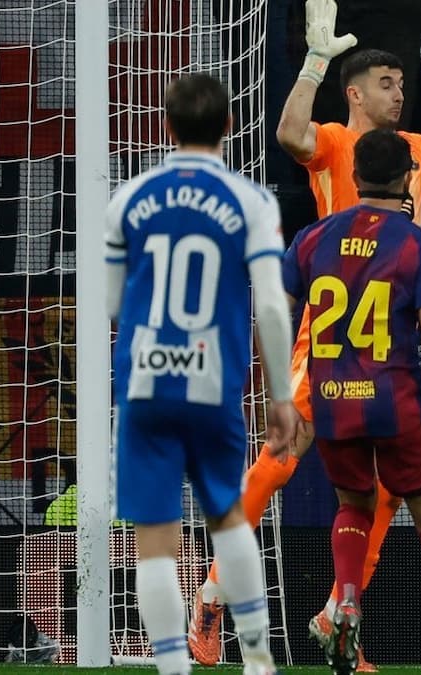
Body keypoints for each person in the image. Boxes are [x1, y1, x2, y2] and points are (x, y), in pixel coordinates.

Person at [190, 0, 421, 669]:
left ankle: (341, 613)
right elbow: (288, 132)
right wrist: (313, 61)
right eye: (388, 84)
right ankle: (213, 593)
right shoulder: (334, 140)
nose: (402, 92)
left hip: (388, 340)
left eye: (403, 82)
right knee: (285, 458)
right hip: (333, 336)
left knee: (386, 494)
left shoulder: (419, 151)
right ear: (356, 93)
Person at [283, 128, 421, 675]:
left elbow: (273, 311)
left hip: (333, 399)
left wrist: (274, 392)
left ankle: (346, 599)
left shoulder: (311, 238)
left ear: (353, 177)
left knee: (352, 507)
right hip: (397, 401)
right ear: (409, 178)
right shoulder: (420, 246)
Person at [105, 73, 298, 675]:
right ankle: (259, 657)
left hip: (144, 381)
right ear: (230, 128)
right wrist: (281, 395)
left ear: (166, 127)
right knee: (228, 516)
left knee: (154, 538)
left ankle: (172, 667)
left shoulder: (130, 198)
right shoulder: (253, 201)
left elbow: (113, 303)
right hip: (212, 378)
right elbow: (269, 304)